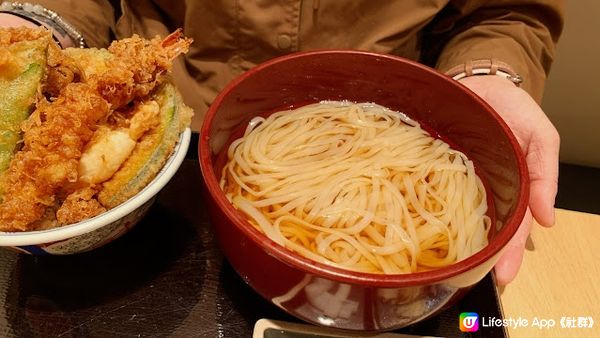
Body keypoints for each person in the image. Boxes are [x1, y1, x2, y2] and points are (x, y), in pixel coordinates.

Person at [0, 0, 563, 285]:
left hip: (385, 116)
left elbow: (506, 12)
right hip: (175, 143)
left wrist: (490, 72)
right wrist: (27, 24)